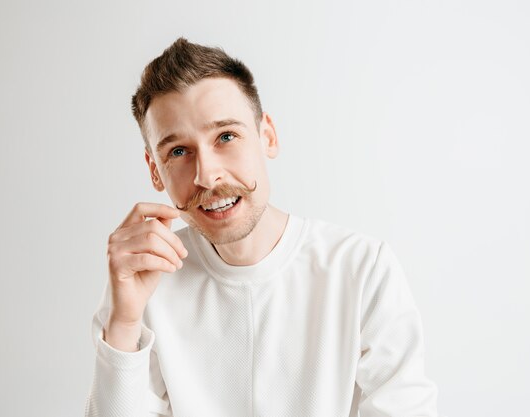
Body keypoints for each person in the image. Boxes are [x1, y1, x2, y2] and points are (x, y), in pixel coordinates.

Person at [85, 37, 443, 417]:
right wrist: (123, 324)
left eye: (226, 136)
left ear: (267, 136)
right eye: (178, 152)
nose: (207, 175)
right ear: (155, 171)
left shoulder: (361, 268)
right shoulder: (145, 285)